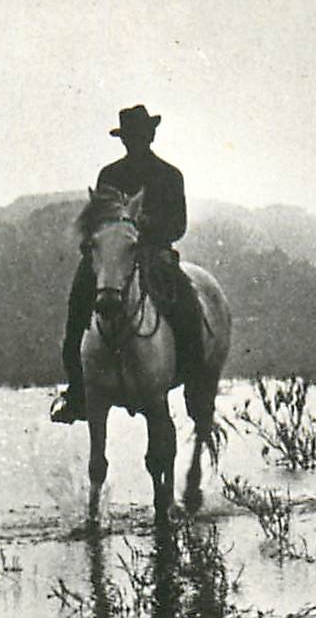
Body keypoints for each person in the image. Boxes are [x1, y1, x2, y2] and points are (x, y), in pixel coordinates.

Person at [52, 104, 204, 424]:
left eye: (139, 135)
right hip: (110, 254)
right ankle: (77, 393)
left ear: (150, 135)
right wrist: (96, 237)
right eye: (129, 137)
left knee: (188, 303)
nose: (135, 142)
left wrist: (146, 228)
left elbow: (179, 226)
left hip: (154, 252)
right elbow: (97, 216)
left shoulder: (170, 175)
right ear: (124, 140)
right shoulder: (109, 175)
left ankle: (195, 384)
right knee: (78, 303)